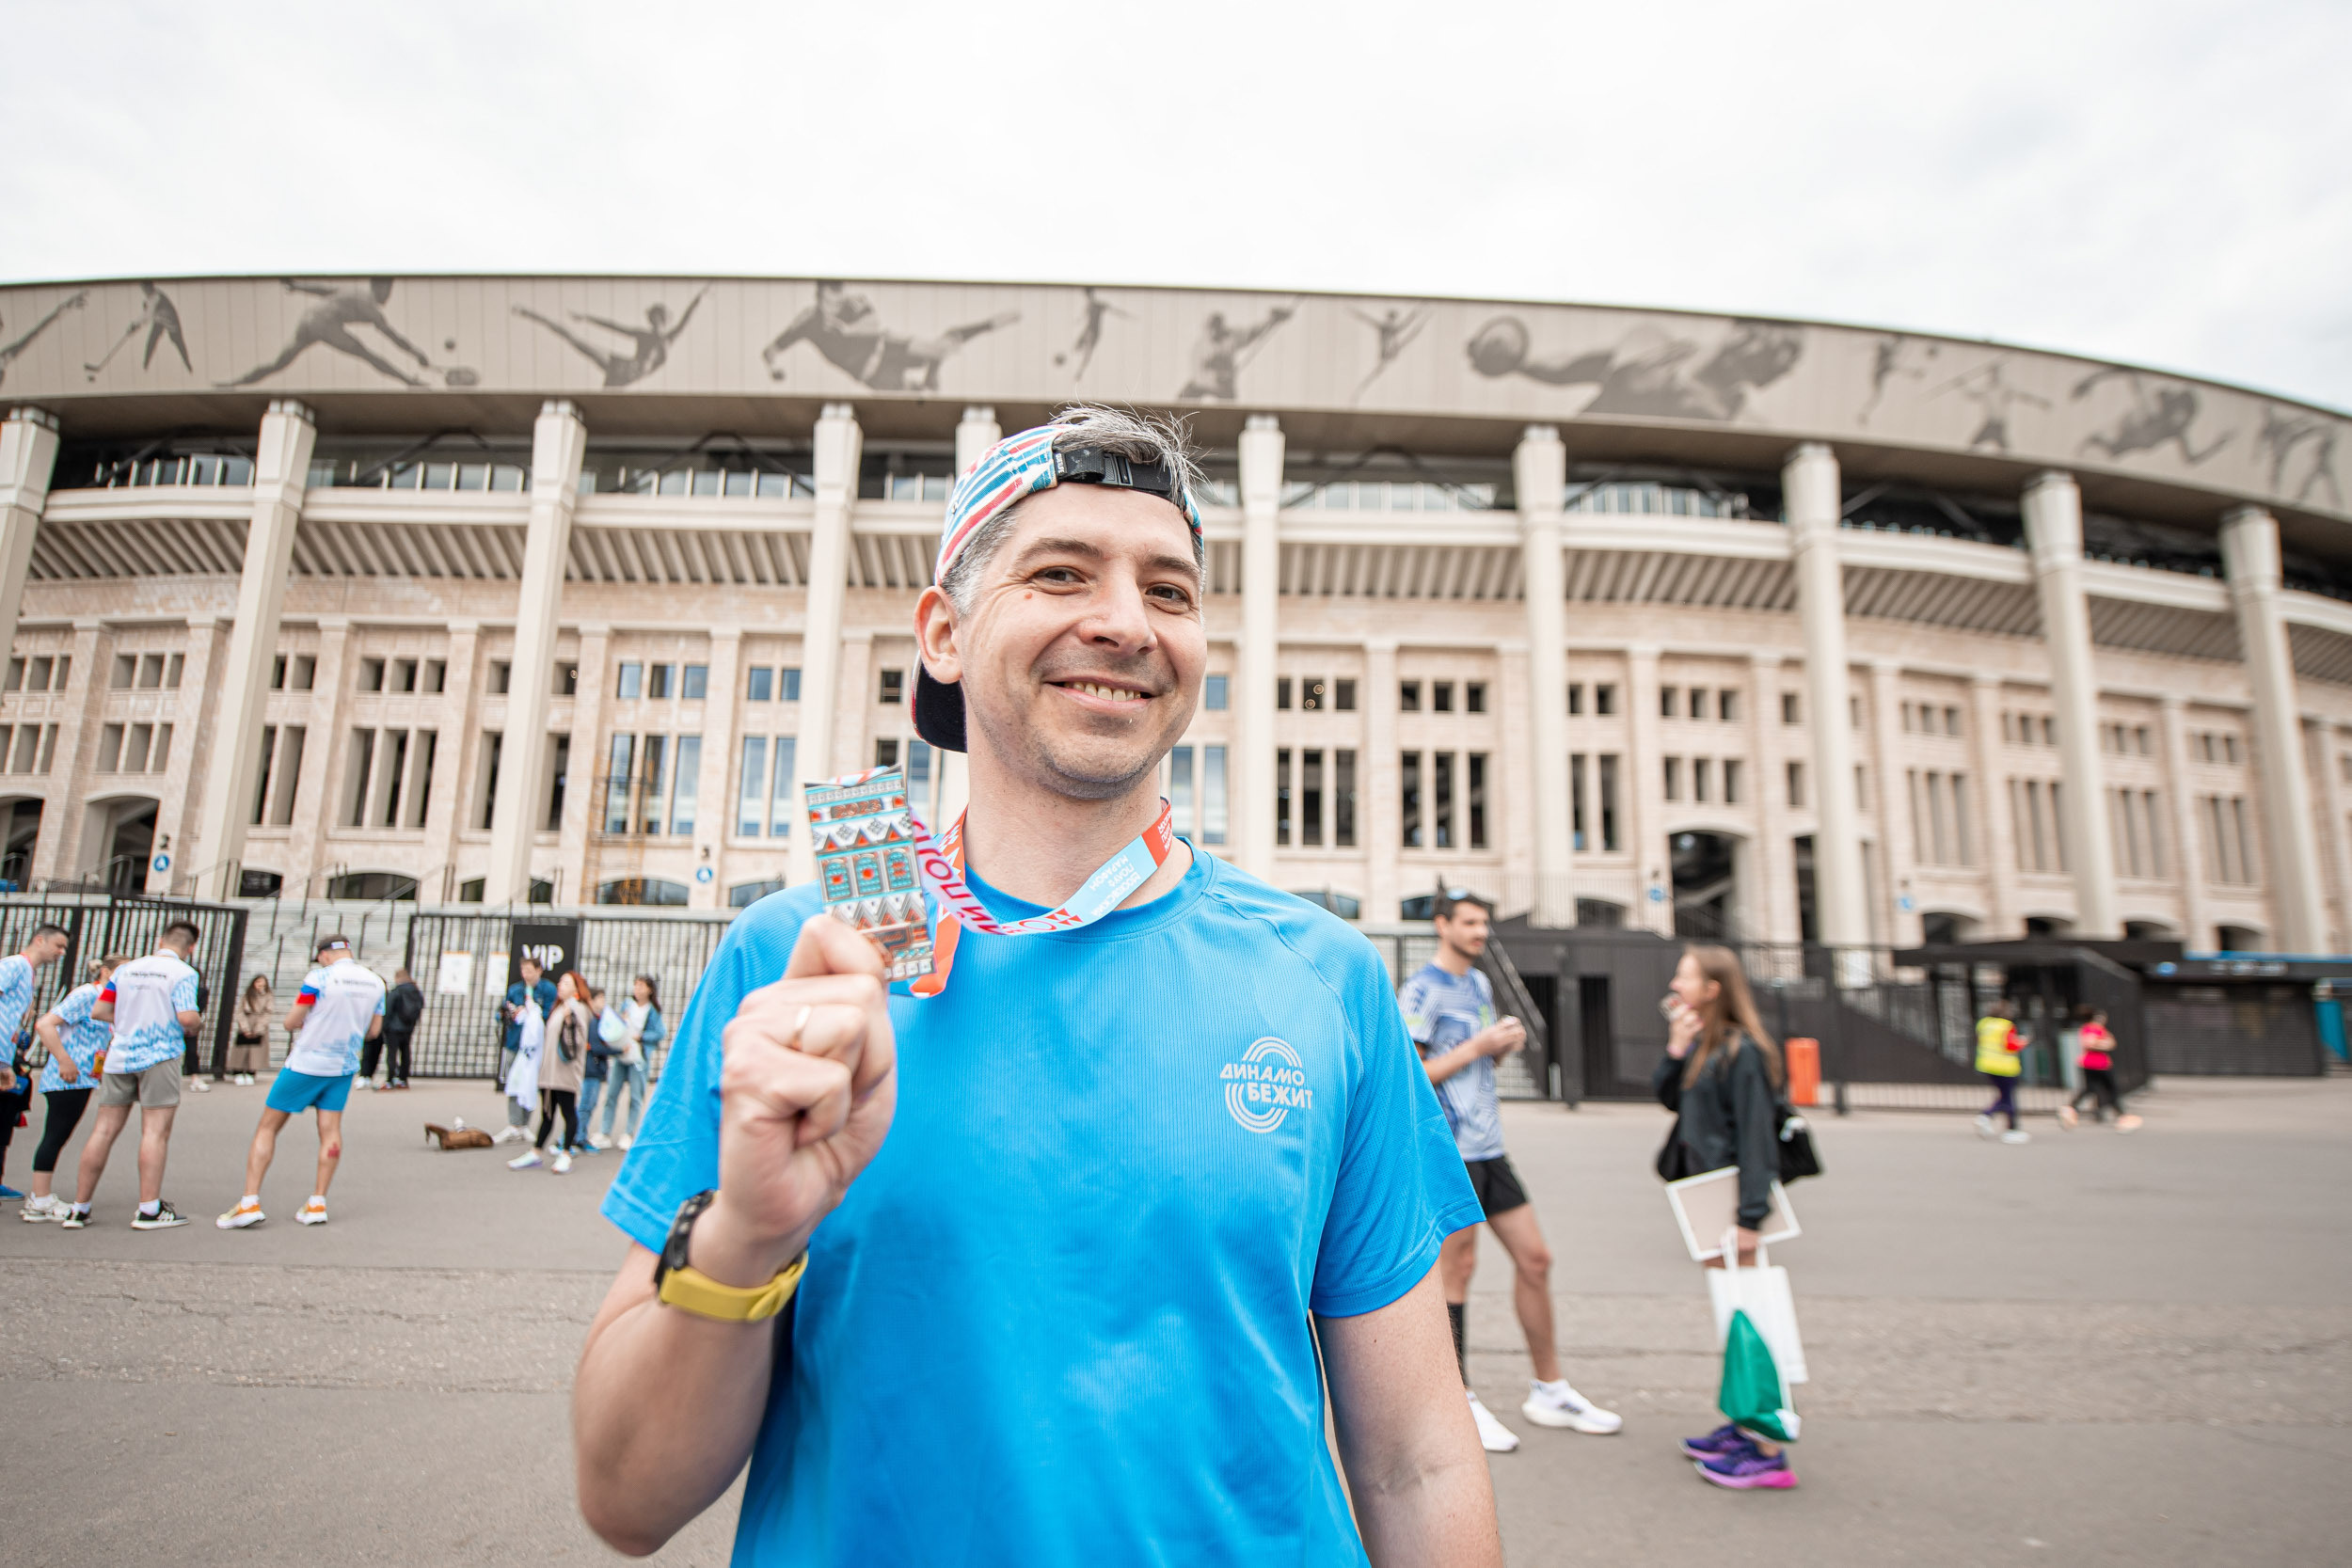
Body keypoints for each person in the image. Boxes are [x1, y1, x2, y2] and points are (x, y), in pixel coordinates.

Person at [573, 406, 1498, 1566]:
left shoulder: (1327, 978)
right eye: (1060, 573)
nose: (1123, 622)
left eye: (1170, 590)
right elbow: (625, 1497)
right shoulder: (801, 964)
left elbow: (1417, 1454)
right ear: (945, 634)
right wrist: (747, 1234)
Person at [1400, 890, 1622, 1452]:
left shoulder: (1477, 984)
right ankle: (1460, 1400)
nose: (1480, 932)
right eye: (1470, 923)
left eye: (1484, 923)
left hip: (1490, 1146)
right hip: (1449, 1148)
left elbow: (1470, 1060)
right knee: (1459, 1270)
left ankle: (1549, 1389)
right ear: (1443, 925)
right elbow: (1411, 1075)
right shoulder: (1421, 990)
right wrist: (1479, 1045)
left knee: (1536, 1259)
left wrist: (1498, 1049)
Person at [1655, 944, 1799, 1490]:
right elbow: (1670, 1099)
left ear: (1712, 989)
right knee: (1731, 1311)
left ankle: (1767, 1449)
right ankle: (1743, 1426)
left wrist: (1750, 1218)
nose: (1675, 982)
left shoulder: (1743, 1051)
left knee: (1753, 1318)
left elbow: (1758, 1137)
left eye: (1685, 975)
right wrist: (1675, 1046)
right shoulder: (1706, 1045)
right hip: (1704, 1194)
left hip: (1732, 1197)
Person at [218, 936, 385, 1229]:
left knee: (268, 1126)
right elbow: (373, 1031)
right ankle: (317, 1202)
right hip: (343, 1065)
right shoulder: (375, 982)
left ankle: (249, 1201)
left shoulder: (319, 977)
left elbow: (291, 1020)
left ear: (323, 955)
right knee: (330, 1131)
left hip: (307, 1062)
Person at [68, 919, 204, 1229]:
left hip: (121, 1054)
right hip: (160, 1055)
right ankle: (148, 1209)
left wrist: (132, 1016)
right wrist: (197, 1022)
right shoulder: (183, 973)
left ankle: (79, 1208)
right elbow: (186, 1017)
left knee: (103, 1130)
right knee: (155, 1131)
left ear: (160, 939)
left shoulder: (125, 970)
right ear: (191, 947)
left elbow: (99, 1012)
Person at [21, 956, 121, 1221]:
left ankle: (40, 1196)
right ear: (105, 972)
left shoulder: (108, 1001)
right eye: (120, 974)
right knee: (55, 1134)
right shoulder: (88, 994)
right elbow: (44, 1024)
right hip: (67, 1077)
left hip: (83, 1077)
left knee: (60, 1134)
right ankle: (39, 1199)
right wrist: (65, 1060)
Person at [0, 923, 71, 1200]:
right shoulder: (16, 965)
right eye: (58, 945)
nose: (61, 952)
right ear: (39, 940)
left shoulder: (26, 974)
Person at [511, 971, 587, 1174]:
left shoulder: (576, 1009)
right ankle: (536, 1152)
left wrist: (570, 1022)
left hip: (565, 1073)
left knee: (568, 1112)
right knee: (547, 1113)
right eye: (561, 982)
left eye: (566, 983)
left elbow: (578, 1042)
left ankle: (566, 1153)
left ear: (576, 988)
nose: (560, 985)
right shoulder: (558, 1009)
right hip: (549, 1073)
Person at [592, 974, 660, 1151]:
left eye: (641, 986)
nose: (637, 989)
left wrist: (641, 1036)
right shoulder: (627, 1005)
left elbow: (660, 1033)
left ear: (650, 990)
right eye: (635, 985)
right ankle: (604, 1132)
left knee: (636, 1097)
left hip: (638, 1057)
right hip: (622, 1054)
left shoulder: (652, 1011)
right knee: (612, 1094)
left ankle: (628, 1133)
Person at [494, 958, 558, 1145]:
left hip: (535, 1047)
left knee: (530, 1083)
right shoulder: (515, 990)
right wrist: (511, 1013)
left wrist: (533, 1013)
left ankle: (525, 1125)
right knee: (513, 1082)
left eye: (530, 970)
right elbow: (501, 1013)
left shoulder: (548, 990)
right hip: (515, 1044)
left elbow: (550, 1013)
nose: (526, 974)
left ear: (539, 970)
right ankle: (514, 1124)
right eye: (523, 970)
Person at [2058, 1007, 2138, 1132]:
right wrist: (2103, 1043)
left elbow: (2111, 1043)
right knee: (2110, 1089)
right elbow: (2093, 1043)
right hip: (2097, 1064)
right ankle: (2121, 1115)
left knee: (2092, 1089)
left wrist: (2103, 1042)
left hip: (2093, 1063)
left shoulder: (2091, 1028)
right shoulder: (2093, 1028)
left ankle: (2079, 1109)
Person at [1975, 1002, 2030, 1145]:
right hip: (2005, 1066)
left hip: (1987, 1063)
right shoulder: (2006, 1026)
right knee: (2008, 1097)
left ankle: (1987, 1116)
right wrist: (2023, 1042)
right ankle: (2010, 1128)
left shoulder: (1984, 1024)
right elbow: (2010, 1045)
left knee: (2004, 1096)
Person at [576, 984, 616, 1153]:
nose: (603, 1001)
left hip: (594, 1069)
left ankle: (579, 1137)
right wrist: (619, 1050)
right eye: (600, 998)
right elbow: (595, 1046)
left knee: (589, 1105)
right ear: (591, 1000)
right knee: (586, 1105)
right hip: (591, 1069)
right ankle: (574, 1138)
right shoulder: (592, 1020)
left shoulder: (598, 1019)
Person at [368, 966, 422, 1090]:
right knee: (405, 1053)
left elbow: (387, 1010)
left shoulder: (397, 991)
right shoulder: (416, 992)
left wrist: (384, 1027)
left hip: (393, 1028)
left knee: (392, 1054)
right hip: (408, 1027)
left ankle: (390, 1079)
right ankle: (403, 1079)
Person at [229, 974, 273, 1085]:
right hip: (247, 1022)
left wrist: (259, 1027)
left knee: (255, 1051)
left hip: (259, 1024)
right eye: (258, 982)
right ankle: (237, 1071)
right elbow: (240, 1012)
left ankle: (251, 1072)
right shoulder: (247, 995)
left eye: (262, 983)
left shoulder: (268, 996)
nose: (260, 985)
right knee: (242, 1049)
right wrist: (244, 1027)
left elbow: (268, 1012)